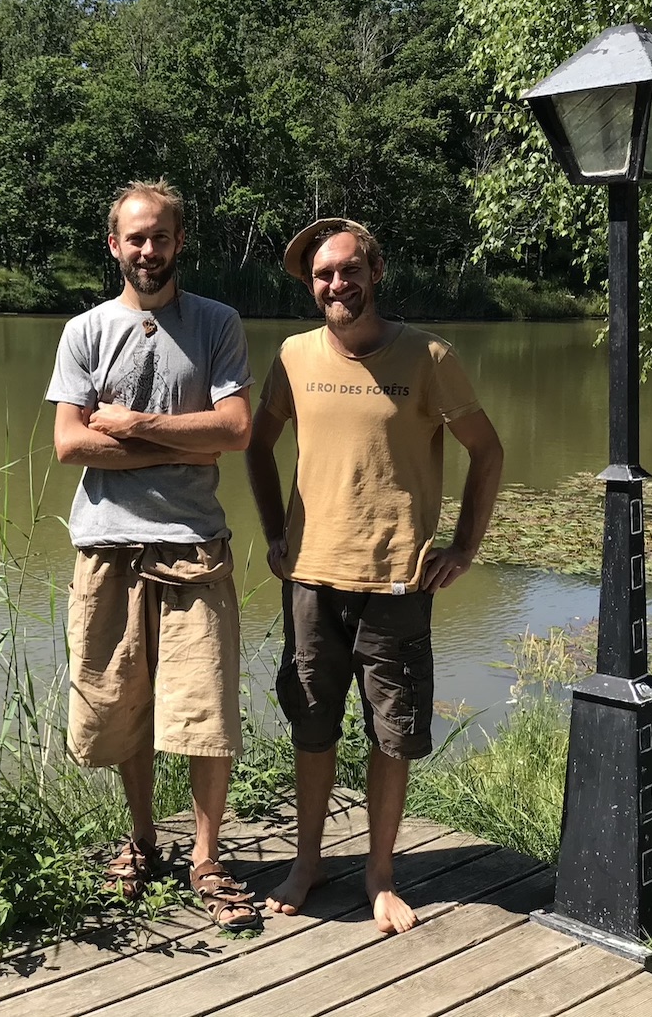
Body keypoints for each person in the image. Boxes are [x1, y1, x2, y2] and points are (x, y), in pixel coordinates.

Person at [245, 218, 503, 934]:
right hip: (309, 580)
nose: (336, 284)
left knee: (392, 734)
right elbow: (258, 447)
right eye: (322, 275)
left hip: (397, 583)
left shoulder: (429, 355)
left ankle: (380, 874)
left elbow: (488, 452)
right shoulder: (293, 356)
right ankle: (307, 861)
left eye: (348, 270)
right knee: (312, 725)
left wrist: (464, 548)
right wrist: (273, 532)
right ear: (309, 284)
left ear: (375, 271)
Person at [46, 178, 260, 932]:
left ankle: (204, 855)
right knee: (122, 704)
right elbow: (70, 443)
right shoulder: (84, 331)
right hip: (106, 546)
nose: (148, 250)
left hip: (194, 548)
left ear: (179, 242)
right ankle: (142, 838)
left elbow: (234, 430)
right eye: (134, 238)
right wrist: (180, 443)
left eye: (160, 236)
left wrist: (135, 425)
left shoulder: (216, 323)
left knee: (206, 711)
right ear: (114, 245)